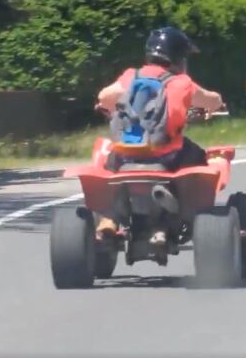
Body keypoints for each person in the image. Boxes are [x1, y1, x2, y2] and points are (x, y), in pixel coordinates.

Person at [95, 27, 224, 239]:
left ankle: (109, 218)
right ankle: (182, 213)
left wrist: (109, 105)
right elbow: (212, 100)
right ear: (178, 57)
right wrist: (216, 105)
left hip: (127, 155)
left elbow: (104, 96)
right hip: (167, 156)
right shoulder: (182, 83)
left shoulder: (131, 76)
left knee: (109, 164)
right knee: (199, 157)